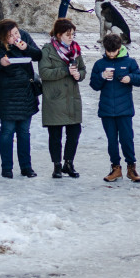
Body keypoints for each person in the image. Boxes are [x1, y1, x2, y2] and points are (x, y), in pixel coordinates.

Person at [0, 19, 43, 178]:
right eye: (11, 36)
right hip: (7, 94)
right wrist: (0, 63)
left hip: (25, 91)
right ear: (3, 37)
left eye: (16, 32)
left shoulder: (24, 37)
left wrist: (27, 48)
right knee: (7, 131)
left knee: (24, 132)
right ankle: (7, 168)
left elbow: (39, 55)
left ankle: (26, 167)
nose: (15, 37)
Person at [90, 33, 140, 182]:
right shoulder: (99, 64)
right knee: (111, 141)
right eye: (108, 51)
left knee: (127, 139)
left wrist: (130, 78)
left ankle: (131, 167)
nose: (111, 54)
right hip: (107, 110)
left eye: (113, 51)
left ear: (120, 48)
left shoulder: (130, 62)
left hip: (124, 110)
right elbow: (94, 85)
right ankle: (115, 168)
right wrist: (102, 76)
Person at [39, 18, 87, 179]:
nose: (71, 37)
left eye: (73, 34)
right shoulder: (47, 50)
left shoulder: (75, 50)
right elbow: (44, 73)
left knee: (74, 131)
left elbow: (82, 69)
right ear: (59, 35)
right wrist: (65, 71)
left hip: (72, 98)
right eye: (68, 35)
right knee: (55, 135)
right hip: (55, 98)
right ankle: (57, 165)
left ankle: (69, 162)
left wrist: (79, 75)